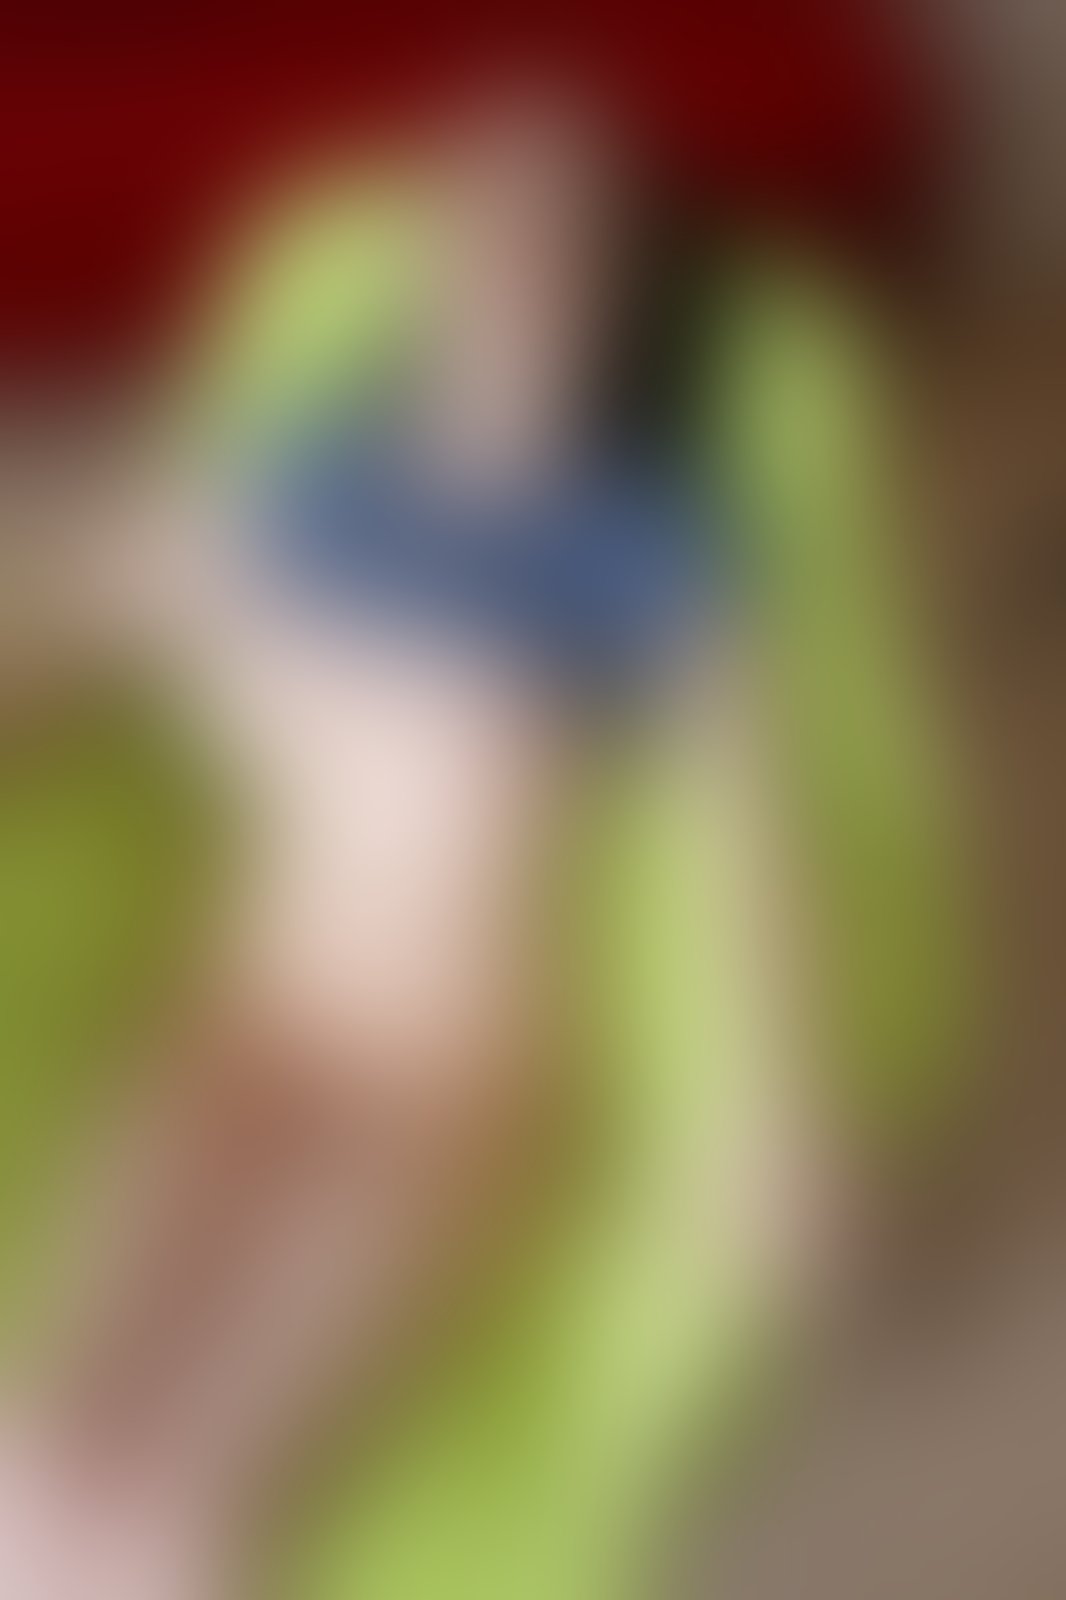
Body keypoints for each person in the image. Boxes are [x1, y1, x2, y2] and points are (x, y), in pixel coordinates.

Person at [0, 85, 834, 1600]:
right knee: (52, 1441)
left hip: (449, 1081)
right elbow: (99, 616)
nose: (507, 255)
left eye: (561, 230)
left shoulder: (635, 551)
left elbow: (740, 848)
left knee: (189, 1499)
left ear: (622, 292)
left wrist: (768, 1113)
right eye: (484, 216)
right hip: (245, 1024)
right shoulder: (321, 479)